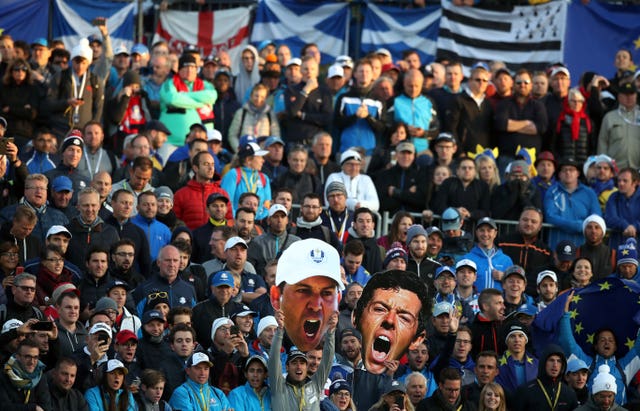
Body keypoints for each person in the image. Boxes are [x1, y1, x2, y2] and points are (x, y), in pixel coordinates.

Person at [559, 289, 640, 405]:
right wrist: (565, 312)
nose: (606, 342)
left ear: (616, 346)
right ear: (596, 346)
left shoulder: (625, 366)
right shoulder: (585, 364)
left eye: (610, 340)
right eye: (602, 340)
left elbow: (638, 348)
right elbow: (567, 342)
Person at [353, 268, 429, 375]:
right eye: (379, 309)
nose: (389, 320)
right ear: (356, 318)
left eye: (404, 318)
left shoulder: (401, 387)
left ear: (416, 339)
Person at [269, 306, 337, 411]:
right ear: (287, 367)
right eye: (294, 363)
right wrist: (280, 330)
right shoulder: (278, 386)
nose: (299, 366)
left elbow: (327, 360)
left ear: (306, 367)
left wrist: (331, 331)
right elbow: (274, 358)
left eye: (302, 363)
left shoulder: (315, 385)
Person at [43, 38, 103, 137]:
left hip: (84, 131)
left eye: (83, 63)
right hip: (61, 128)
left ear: (89, 63)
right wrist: (66, 102)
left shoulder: (95, 81)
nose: (80, 66)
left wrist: (92, 129)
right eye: (77, 62)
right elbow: (49, 103)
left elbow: (98, 108)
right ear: (72, 61)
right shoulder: (60, 77)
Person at [159, 54, 216, 151]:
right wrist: (199, 103)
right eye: (186, 67)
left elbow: (212, 96)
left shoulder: (205, 85)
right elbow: (172, 98)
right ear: (179, 69)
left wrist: (183, 95)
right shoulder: (169, 83)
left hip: (198, 143)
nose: (189, 70)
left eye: (193, 67)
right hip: (170, 142)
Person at [544, 157, 601, 249]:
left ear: (578, 173)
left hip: (582, 245)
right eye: (564, 170)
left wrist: (584, 225)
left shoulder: (589, 193)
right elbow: (550, 216)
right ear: (559, 174)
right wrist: (577, 225)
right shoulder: (552, 192)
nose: (568, 172)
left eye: (572, 170)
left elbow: (596, 217)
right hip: (557, 244)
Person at [334, 58, 386, 156]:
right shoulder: (344, 98)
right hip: (346, 150)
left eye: (367, 71)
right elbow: (336, 123)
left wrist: (368, 117)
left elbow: (382, 128)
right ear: (355, 74)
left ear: (372, 75)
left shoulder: (378, 101)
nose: (364, 74)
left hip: (369, 152)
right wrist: (355, 116)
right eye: (361, 71)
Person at [498, 207, 552, 297]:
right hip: (504, 295)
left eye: (533, 221)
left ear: (540, 227)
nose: (528, 224)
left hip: (534, 297)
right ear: (519, 221)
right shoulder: (502, 242)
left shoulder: (545, 251)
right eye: (525, 220)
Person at [173, 151, 231, 230]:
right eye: (206, 164)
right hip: (191, 240)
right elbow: (175, 223)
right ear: (195, 168)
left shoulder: (222, 193)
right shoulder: (181, 195)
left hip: (218, 240)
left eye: (213, 164)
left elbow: (230, 220)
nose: (211, 168)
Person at [282, 55, 332, 145]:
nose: (309, 72)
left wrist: (303, 115)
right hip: (295, 142)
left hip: (316, 143)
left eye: (312, 69)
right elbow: (292, 111)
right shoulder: (291, 90)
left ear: (317, 72)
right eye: (306, 69)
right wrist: (306, 90)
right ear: (301, 71)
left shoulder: (324, 92)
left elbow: (326, 119)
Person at [65, 187, 119, 269]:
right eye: (86, 205)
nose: (90, 209)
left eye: (93, 205)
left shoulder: (111, 232)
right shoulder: (66, 232)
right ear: (78, 206)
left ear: (99, 206)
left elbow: (115, 262)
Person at [513, 345, 578, 411]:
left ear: (562, 365)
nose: (555, 365)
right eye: (551, 360)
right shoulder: (525, 391)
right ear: (543, 363)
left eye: (559, 361)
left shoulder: (569, 393)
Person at [432, 157, 490, 229]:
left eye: (470, 168)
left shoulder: (482, 186)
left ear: (475, 171)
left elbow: (486, 211)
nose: (467, 170)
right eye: (464, 168)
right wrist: (455, 211)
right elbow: (439, 205)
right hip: (449, 229)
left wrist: (470, 214)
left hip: (472, 230)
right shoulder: (448, 183)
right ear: (457, 171)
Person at [220, 142, 272, 221]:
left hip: (257, 225)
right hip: (236, 223)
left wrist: (256, 220)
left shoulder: (264, 178)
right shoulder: (233, 175)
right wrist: (240, 219)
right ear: (248, 160)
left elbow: (267, 205)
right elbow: (225, 202)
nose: (263, 160)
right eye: (260, 157)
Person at [450, 63, 494, 154]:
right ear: (470, 81)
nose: (481, 83)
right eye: (478, 80)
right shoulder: (459, 100)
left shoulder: (488, 104)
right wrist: (459, 152)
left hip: (484, 155)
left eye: (485, 80)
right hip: (464, 154)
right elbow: (452, 129)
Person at [375, 141, 430, 213]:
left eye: (409, 153)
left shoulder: (421, 175)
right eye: (402, 153)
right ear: (396, 155)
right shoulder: (385, 175)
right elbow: (382, 203)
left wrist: (396, 193)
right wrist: (408, 194)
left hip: (414, 221)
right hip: (389, 220)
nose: (406, 156)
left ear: (414, 156)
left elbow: (421, 201)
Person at [461, 217, 513, 293]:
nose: (485, 234)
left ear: (495, 233)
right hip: (473, 303)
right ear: (476, 233)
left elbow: (515, 285)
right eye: (482, 230)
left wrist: (505, 277)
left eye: (489, 230)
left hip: (499, 304)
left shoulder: (506, 260)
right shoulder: (466, 259)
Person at [247, 204, 300, 276]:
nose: (279, 220)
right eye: (275, 216)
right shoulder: (257, 242)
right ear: (268, 220)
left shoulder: (296, 242)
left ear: (287, 220)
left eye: (282, 216)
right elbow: (251, 269)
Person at [598, 81, 640, 170]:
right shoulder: (609, 117)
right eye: (625, 94)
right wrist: (604, 167)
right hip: (616, 170)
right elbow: (603, 143)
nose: (628, 97)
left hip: (638, 170)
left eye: (631, 94)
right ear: (619, 96)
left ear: (636, 95)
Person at [0, 339, 52, 410]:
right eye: (28, 357)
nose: (32, 362)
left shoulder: (40, 376)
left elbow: (46, 407)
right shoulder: (4, 375)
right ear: (17, 357)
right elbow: (4, 407)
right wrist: (33, 408)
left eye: (35, 357)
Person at [227, 83, 280, 151]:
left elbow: (275, 135)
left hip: (263, 153)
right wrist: (239, 150)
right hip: (245, 152)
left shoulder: (270, 114)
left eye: (262, 97)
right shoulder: (241, 112)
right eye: (256, 96)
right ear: (251, 96)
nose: (259, 99)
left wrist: (269, 151)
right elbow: (232, 135)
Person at [495, 324, 538, 394]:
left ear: (525, 340)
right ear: (507, 341)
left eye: (520, 336)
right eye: (512, 336)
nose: (517, 340)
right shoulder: (496, 364)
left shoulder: (537, 364)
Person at [605, 167, 640, 250]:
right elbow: (609, 219)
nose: (621, 183)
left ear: (635, 183)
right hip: (617, 249)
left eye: (625, 181)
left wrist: (635, 227)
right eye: (619, 180)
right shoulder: (613, 197)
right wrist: (625, 226)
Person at [469, 289, 505, 357]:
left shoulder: (504, 326)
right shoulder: (471, 330)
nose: (504, 307)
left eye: (503, 303)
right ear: (485, 306)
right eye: (499, 303)